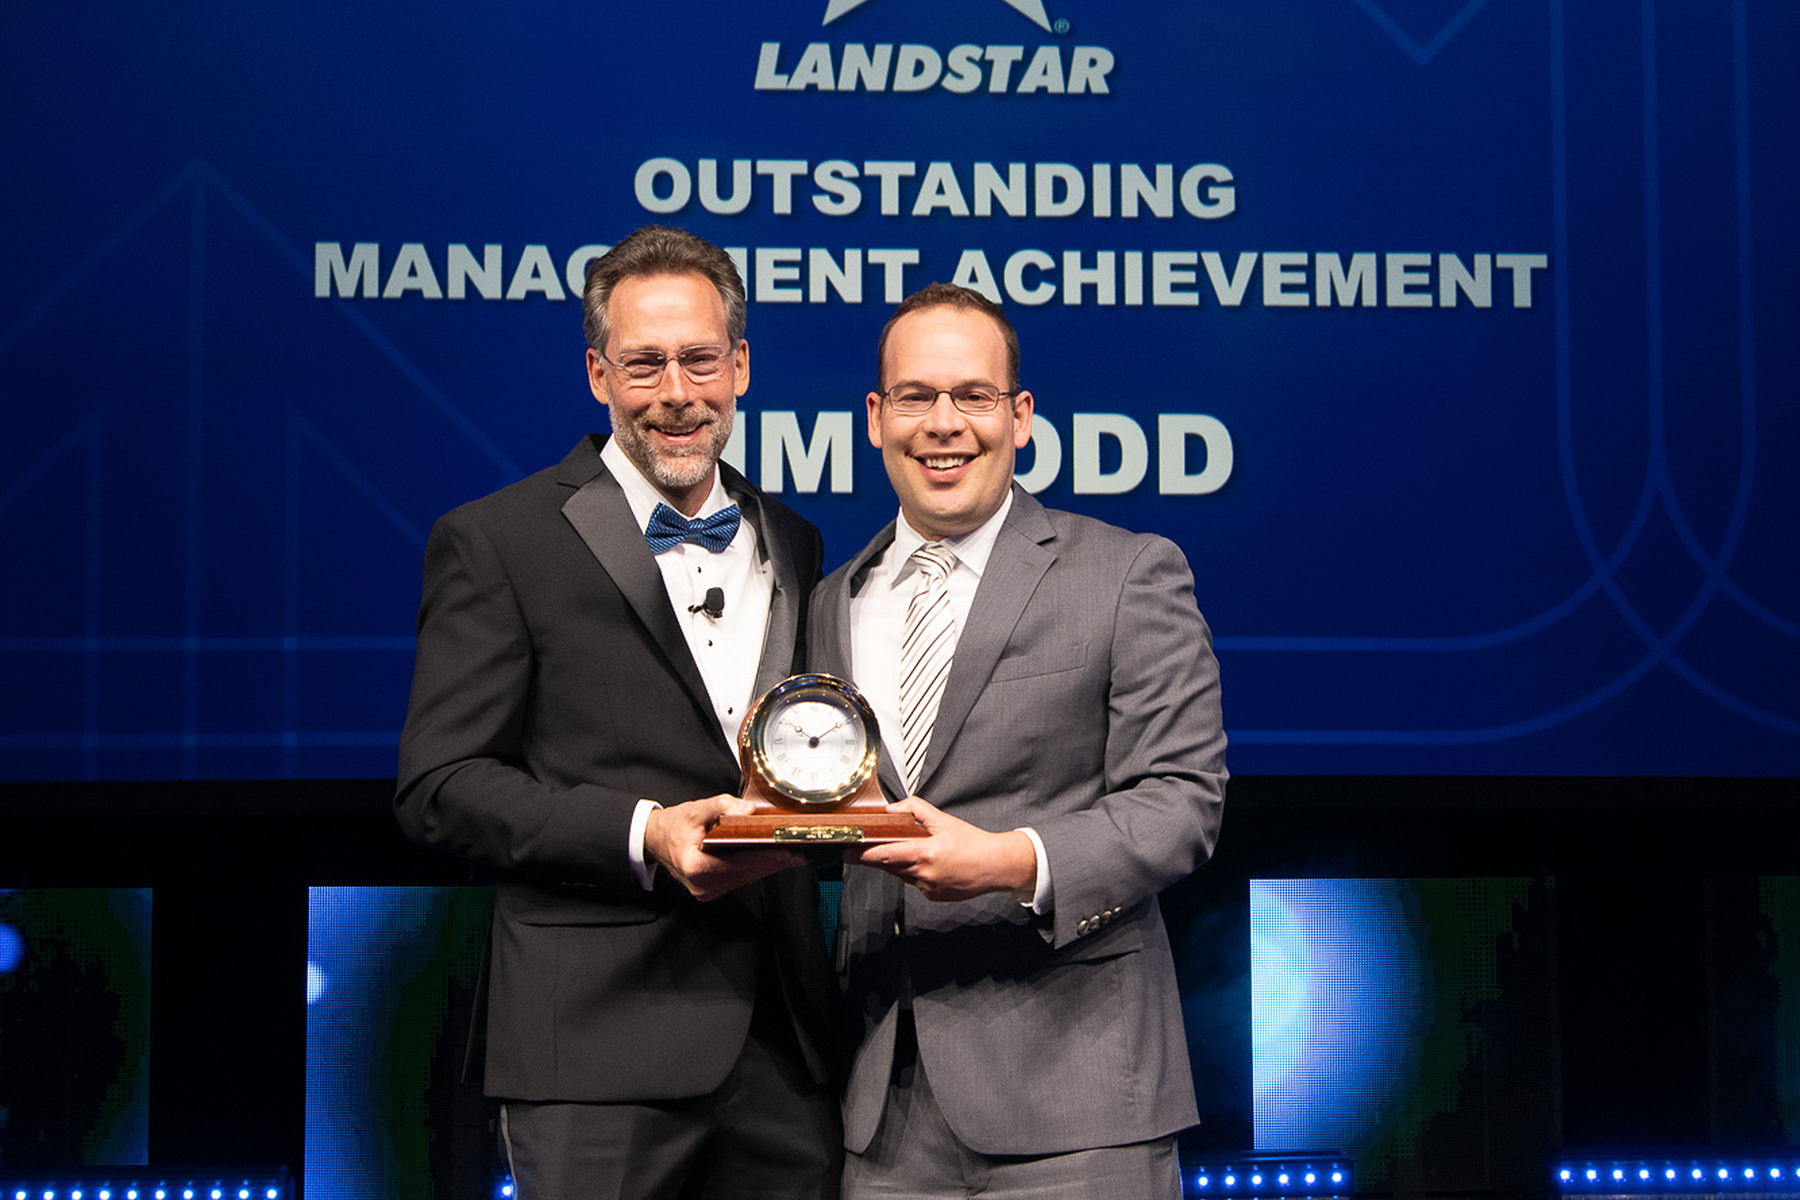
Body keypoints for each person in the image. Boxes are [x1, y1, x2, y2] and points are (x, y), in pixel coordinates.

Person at [396, 225, 841, 1200]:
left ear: (741, 367)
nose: (676, 393)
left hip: (785, 1046)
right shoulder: (498, 539)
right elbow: (439, 788)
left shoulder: (795, 540)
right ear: (599, 374)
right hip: (591, 1050)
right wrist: (645, 832)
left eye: (699, 359)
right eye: (645, 365)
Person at [809, 283, 1228, 1199]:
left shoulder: (1126, 572)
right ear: (876, 419)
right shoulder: (829, 602)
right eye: (915, 397)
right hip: (881, 1116)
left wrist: (1006, 859)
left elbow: (1183, 802)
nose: (944, 424)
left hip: (1077, 1105)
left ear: (1021, 416)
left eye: (974, 397)